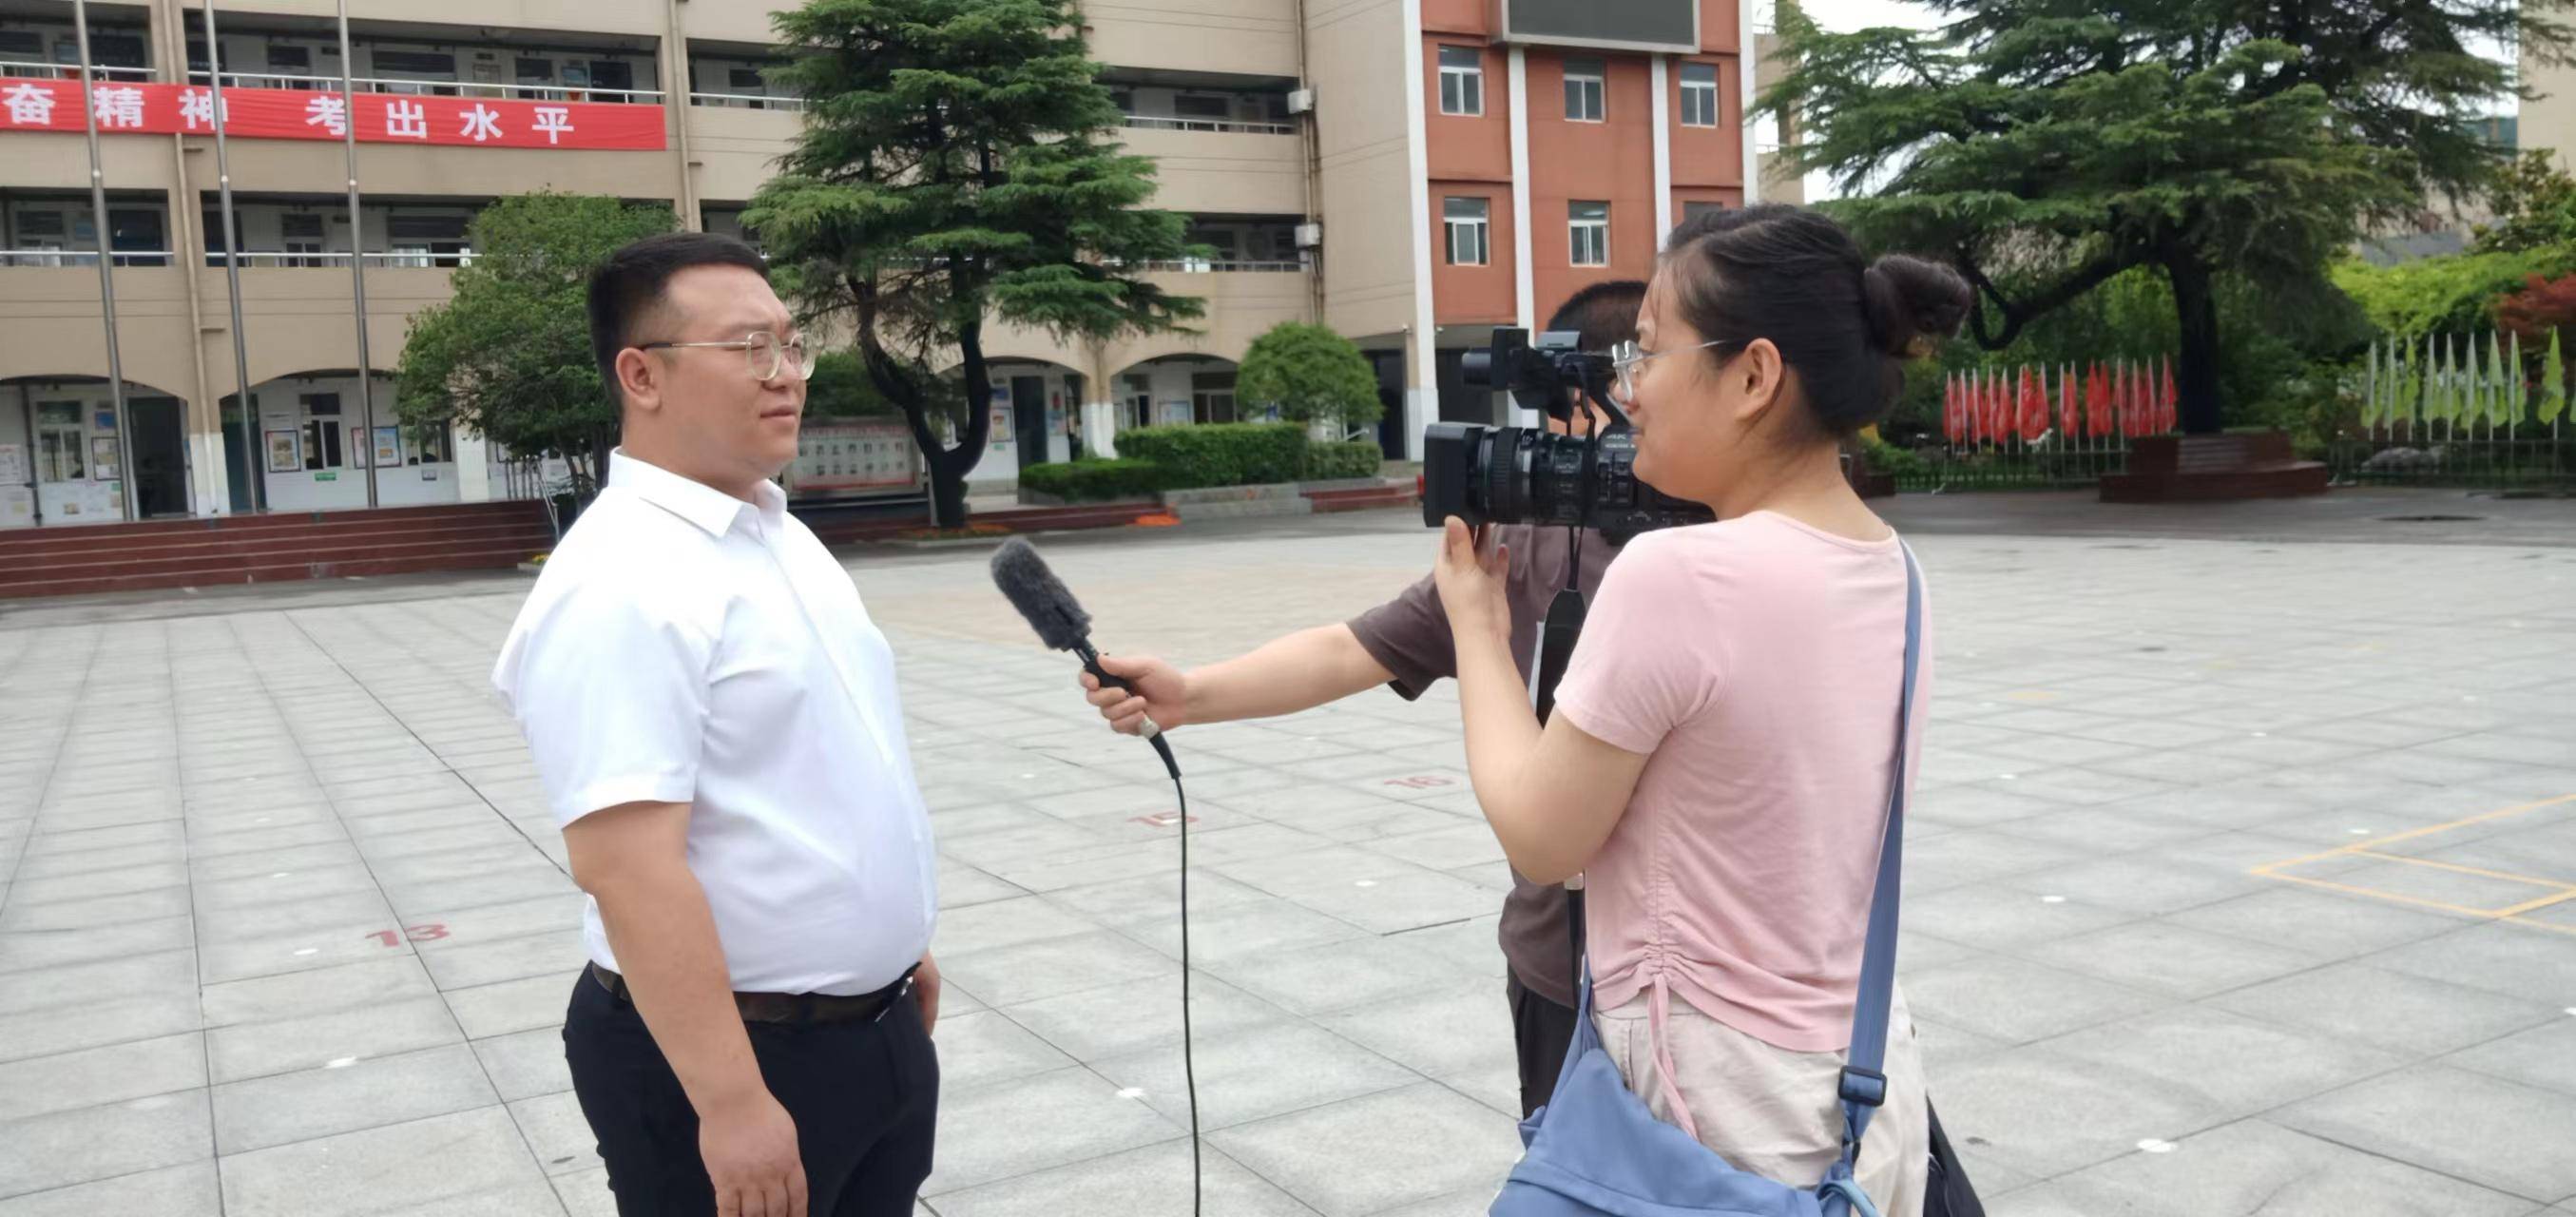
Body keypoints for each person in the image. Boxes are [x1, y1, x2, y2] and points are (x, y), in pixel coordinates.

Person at [1428, 204, 1968, 1215]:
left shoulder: (1681, 574)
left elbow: (1542, 838)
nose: (1628, 388)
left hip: (1716, 1114)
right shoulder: (1893, 566)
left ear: (1754, 376)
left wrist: (1475, 624)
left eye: (1649, 350)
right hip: (1858, 1086)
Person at [1080, 280, 1647, 1117]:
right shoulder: (1516, 546)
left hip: (1691, 982)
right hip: (1554, 967)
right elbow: (1355, 648)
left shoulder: (1717, 550)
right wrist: (1190, 695)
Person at [492, 231, 941, 1217]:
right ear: (641, 375)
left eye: (792, 343)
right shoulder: (621, 580)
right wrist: (731, 1102)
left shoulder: (774, 531)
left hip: (870, 1028)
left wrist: (894, 941)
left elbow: (821, 766)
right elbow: (626, 867)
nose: (786, 374)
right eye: (749, 348)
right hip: (732, 1059)